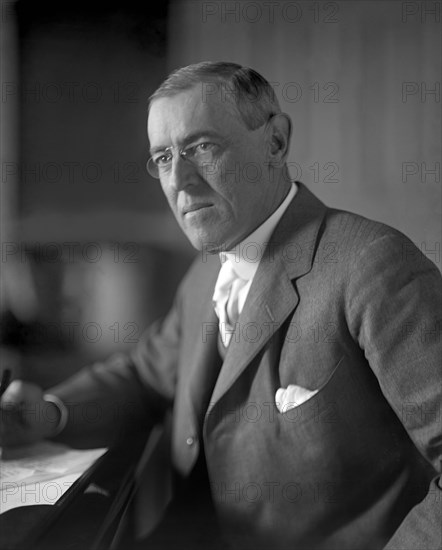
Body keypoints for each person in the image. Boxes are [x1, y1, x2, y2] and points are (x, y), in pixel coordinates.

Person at [1, 61, 441, 550]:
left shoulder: (374, 266)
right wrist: (50, 414)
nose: (180, 181)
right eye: (163, 158)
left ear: (276, 142)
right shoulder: (206, 271)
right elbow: (147, 376)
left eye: (202, 147)